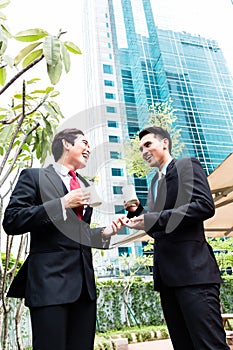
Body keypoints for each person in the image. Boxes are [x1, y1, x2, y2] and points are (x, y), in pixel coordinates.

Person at [3, 128, 123, 350]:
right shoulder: (34, 176)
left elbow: (79, 235)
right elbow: (12, 221)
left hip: (84, 287)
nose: (89, 149)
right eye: (84, 143)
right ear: (66, 144)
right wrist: (62, 203)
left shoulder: (86, 185)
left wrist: (103, 234)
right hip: (50, 284)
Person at [121, 126, 229, 350]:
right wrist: (138, 213)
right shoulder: (154, 184)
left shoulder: (186, 165)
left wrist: (155, 217)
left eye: (148, 145)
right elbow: (160, 230)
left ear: (164, 143)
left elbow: (204, 206)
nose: (144, 152)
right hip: (167, 279)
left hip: (194, 274)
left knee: (210, 346)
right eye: (141, 148)